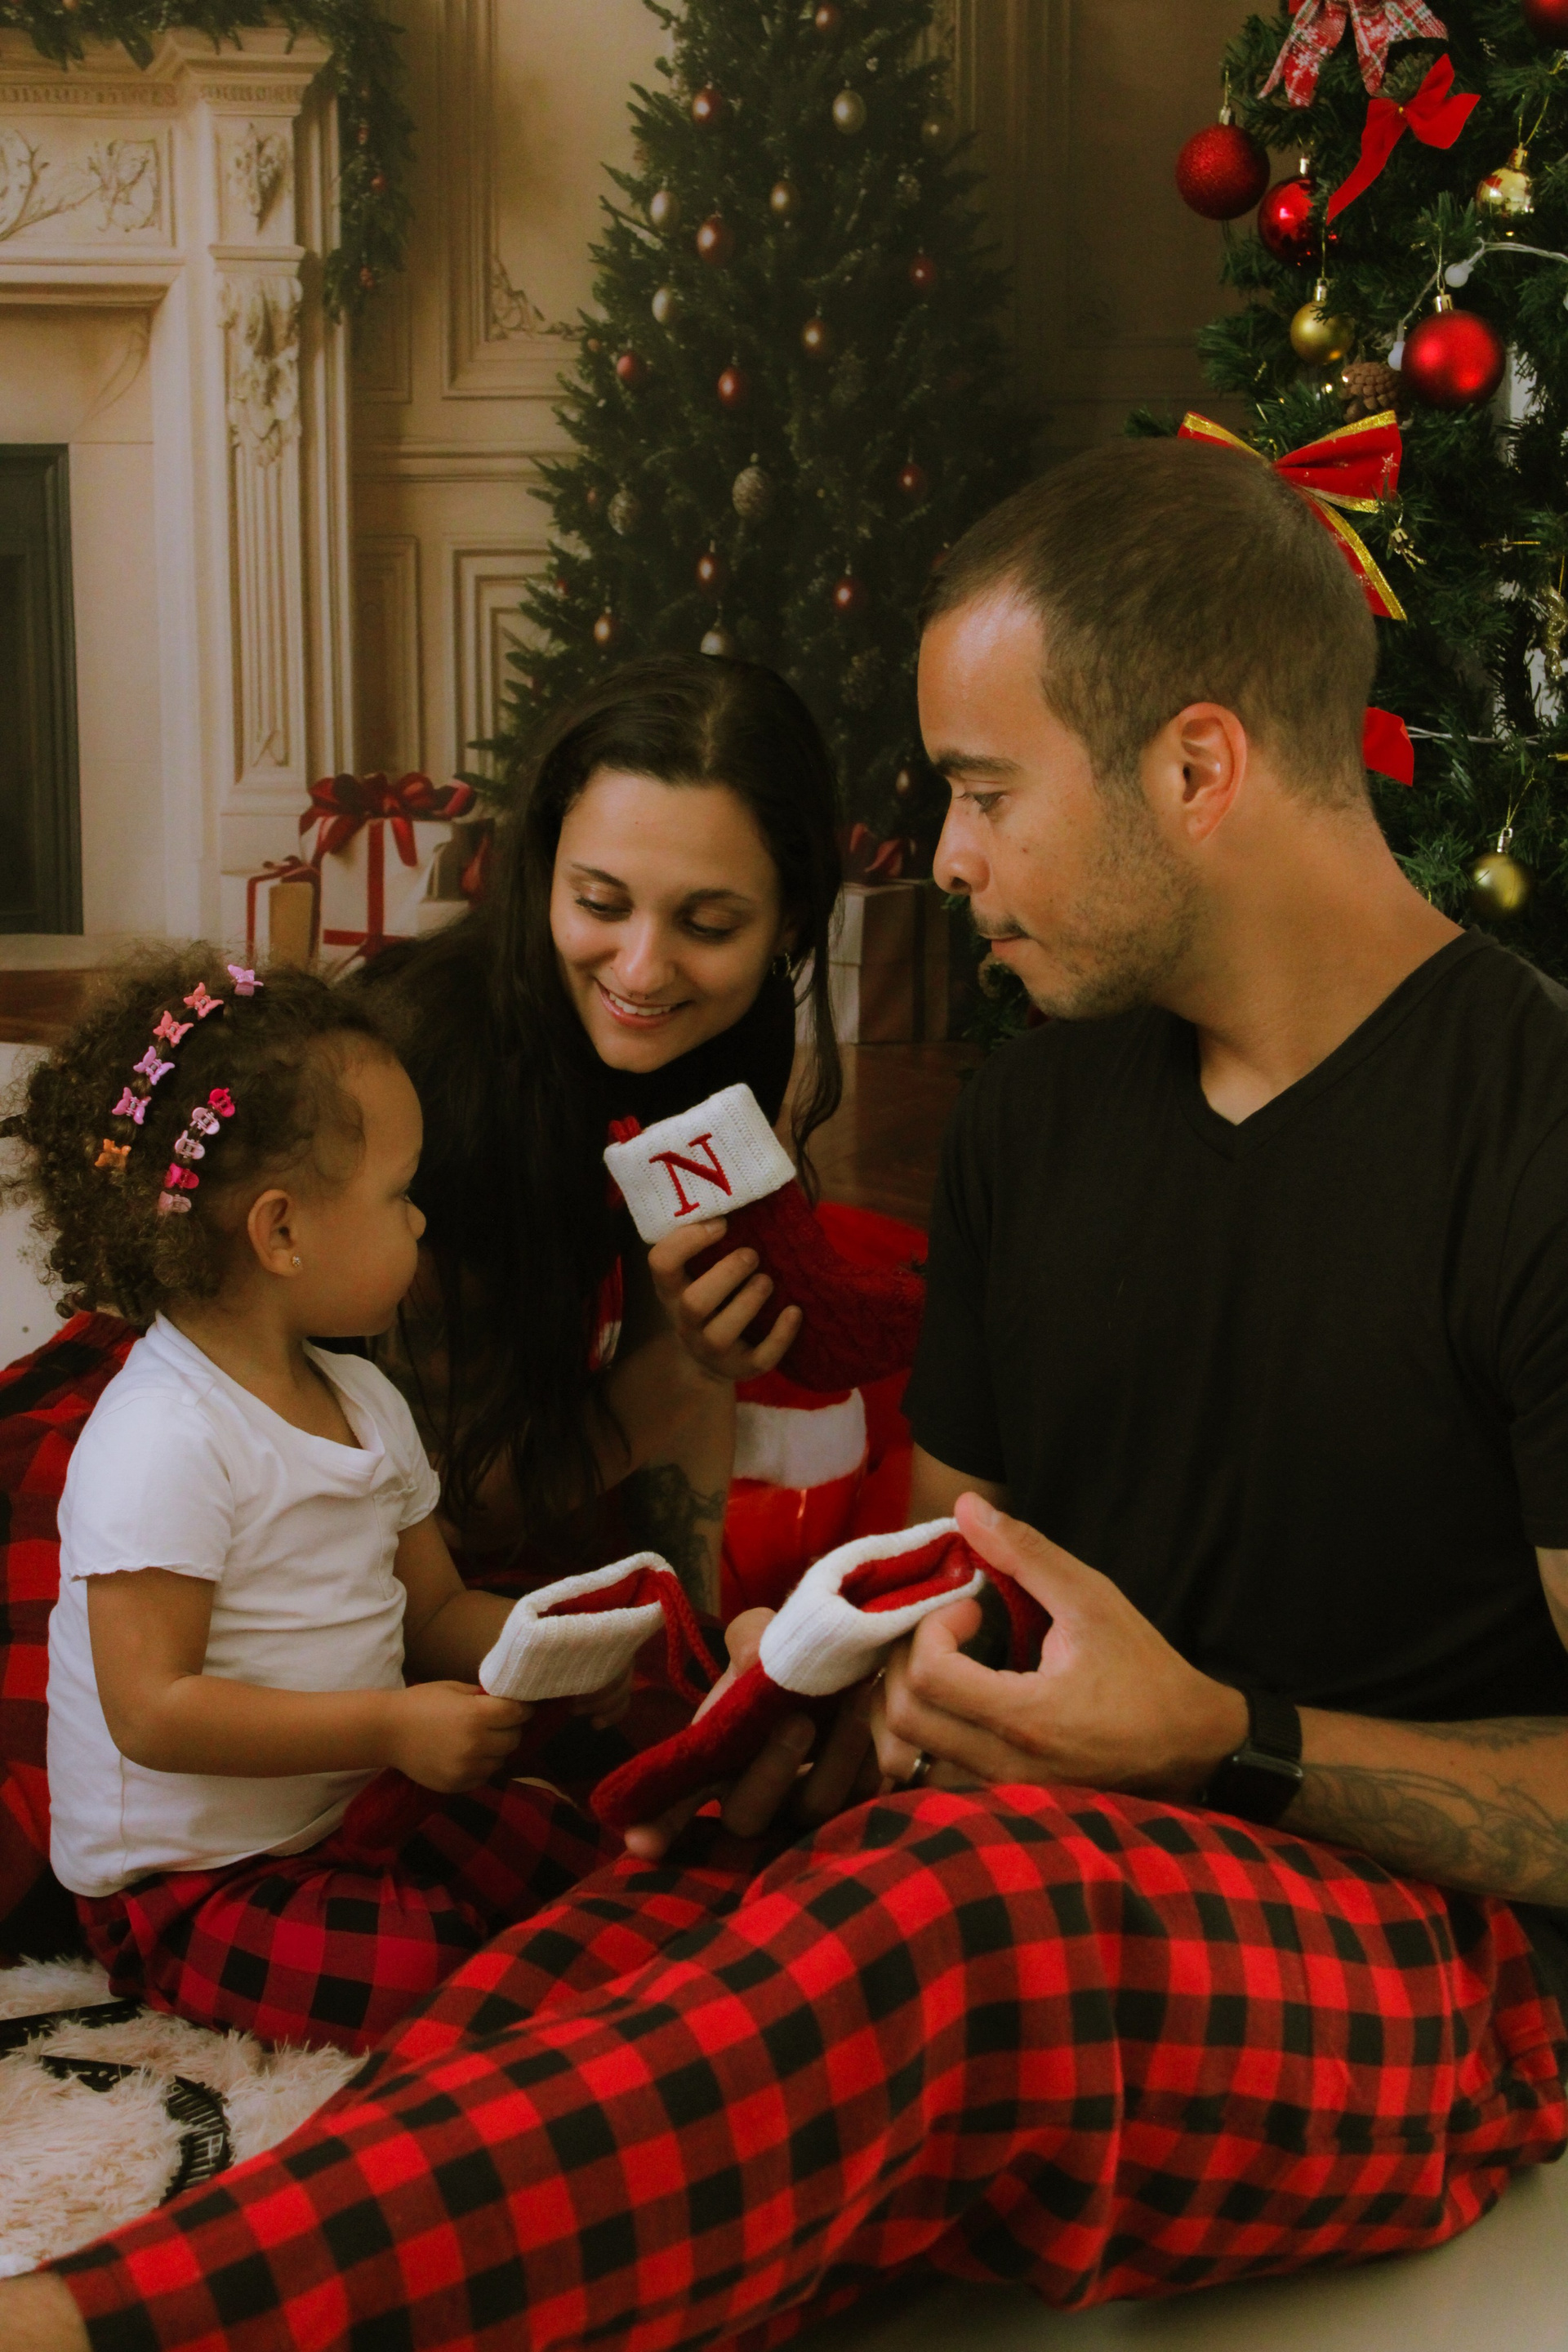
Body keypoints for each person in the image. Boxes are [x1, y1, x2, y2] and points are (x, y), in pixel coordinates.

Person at [9, 435, 1568, 2352]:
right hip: (1025, 1828)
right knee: (618, 1928)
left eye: (983, 791)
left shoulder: (1532, 1133)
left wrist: (1224, 1741)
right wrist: (838, 1683)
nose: (948, 858)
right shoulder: (1035, 1113)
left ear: (1195, 767)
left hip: (1420, 1947)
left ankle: (85, 2335)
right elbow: (950, 1563)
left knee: (953, 1917)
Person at [5, 953, 627, 2053]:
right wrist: (391, 1726)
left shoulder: (362, 1401)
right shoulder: (160, 1438)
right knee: (439, 1977)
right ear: (282, 1233)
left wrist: (576, 1643)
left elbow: (436, 1613)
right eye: (401, 1195)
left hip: (350, 1808)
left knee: (572, 1851)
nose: (422, 1224)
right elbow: (152, 1711)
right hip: (193, 1884)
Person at [354, 656, 844, 1614]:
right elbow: (457, 1511)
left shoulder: (734, 1030)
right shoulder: (441, 1081)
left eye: (710, 924)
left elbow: (683, 1318)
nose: (643, 970)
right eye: (600, 904)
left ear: (789, 923)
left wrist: (695, 1640)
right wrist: (688, 1368)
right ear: (544, 871)